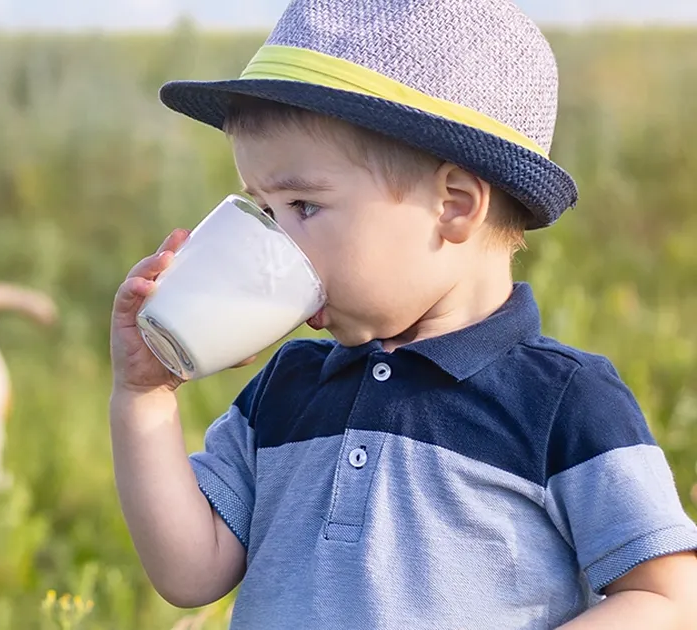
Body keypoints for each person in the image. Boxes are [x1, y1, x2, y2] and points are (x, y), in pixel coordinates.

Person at [107, 1, 697, 628]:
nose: (276, 243)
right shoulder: (287, 391)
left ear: (453, 204)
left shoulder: (562, 403)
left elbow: (669, 597)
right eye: (265, 209)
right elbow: (190, 573)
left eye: (304, 205)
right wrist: (143, 397)